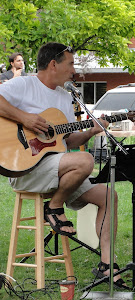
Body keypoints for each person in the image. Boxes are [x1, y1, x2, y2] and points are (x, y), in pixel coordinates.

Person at [0, 42, 125, 287]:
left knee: (108, 195)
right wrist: (25, 118)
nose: (74, 70)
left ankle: (106, 265)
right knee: (86, 160)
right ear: (53, 64)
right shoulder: (23, 84)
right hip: (26, 168)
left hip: (59, 168)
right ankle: (54, 207)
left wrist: (91, 132)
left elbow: (68, 139)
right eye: (70, 64)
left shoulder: (64, 97)